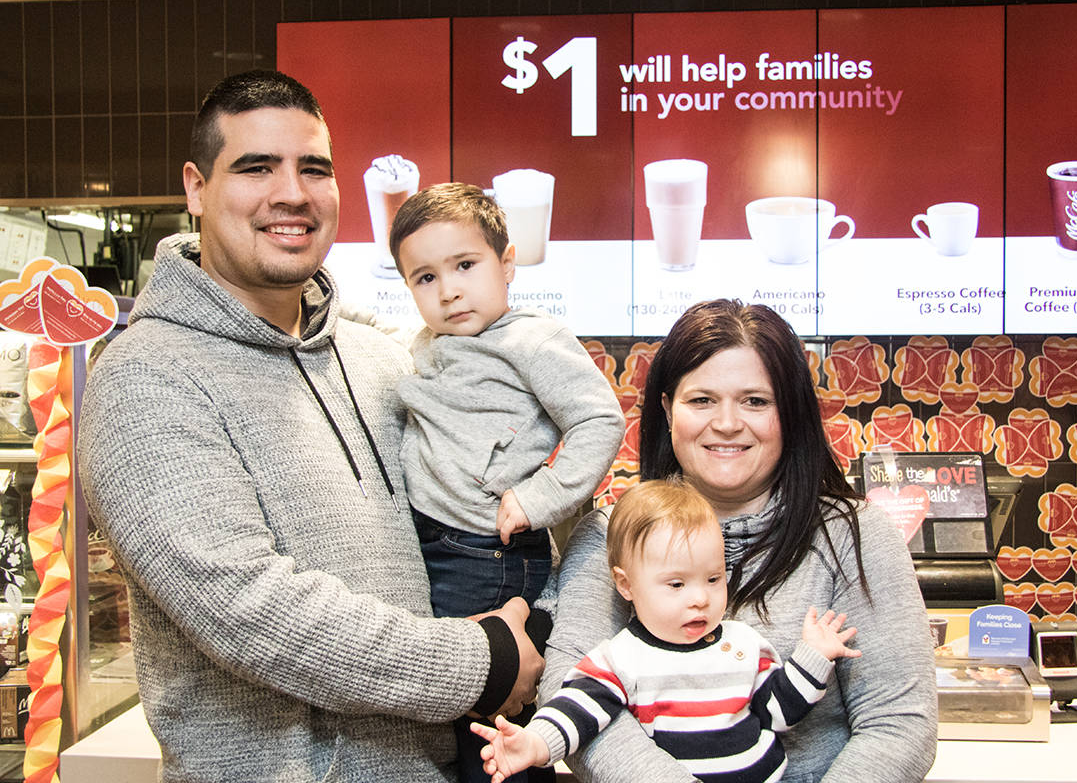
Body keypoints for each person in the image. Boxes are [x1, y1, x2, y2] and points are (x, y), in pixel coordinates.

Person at [76, 70, 543, 783]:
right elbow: (251, 611)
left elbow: (489, 495)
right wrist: (486, 661)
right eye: (256, 167)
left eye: (313, 168)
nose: (291, 192)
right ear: (197, 187)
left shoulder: (384, 357)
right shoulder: (146, 376)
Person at [543, 299, 938, 782]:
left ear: (788, 414)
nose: (727, 423)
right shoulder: (609, 537)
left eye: (755, 401)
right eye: (701, 399)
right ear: (668, 410)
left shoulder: (853, 534)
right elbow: (570, 695)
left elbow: (897, 724)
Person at [387, 182, 625, 782]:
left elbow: (599, 418)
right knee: (445, 708)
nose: (450, 290)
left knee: (490, 725)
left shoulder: (532, 337)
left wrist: (539, 496)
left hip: (487, 556)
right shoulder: (432, 342)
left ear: (508, 262)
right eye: (425, 278)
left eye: (465, 265)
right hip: (434, 546)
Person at [472, 477, 862, 783]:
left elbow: (778, 712)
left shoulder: (745, 644)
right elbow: (576, 711)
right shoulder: (620, 658)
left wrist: (813, 657)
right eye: (676, 585)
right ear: (626, 585)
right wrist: (534, 743)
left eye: (713, 578)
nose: (700, 599)